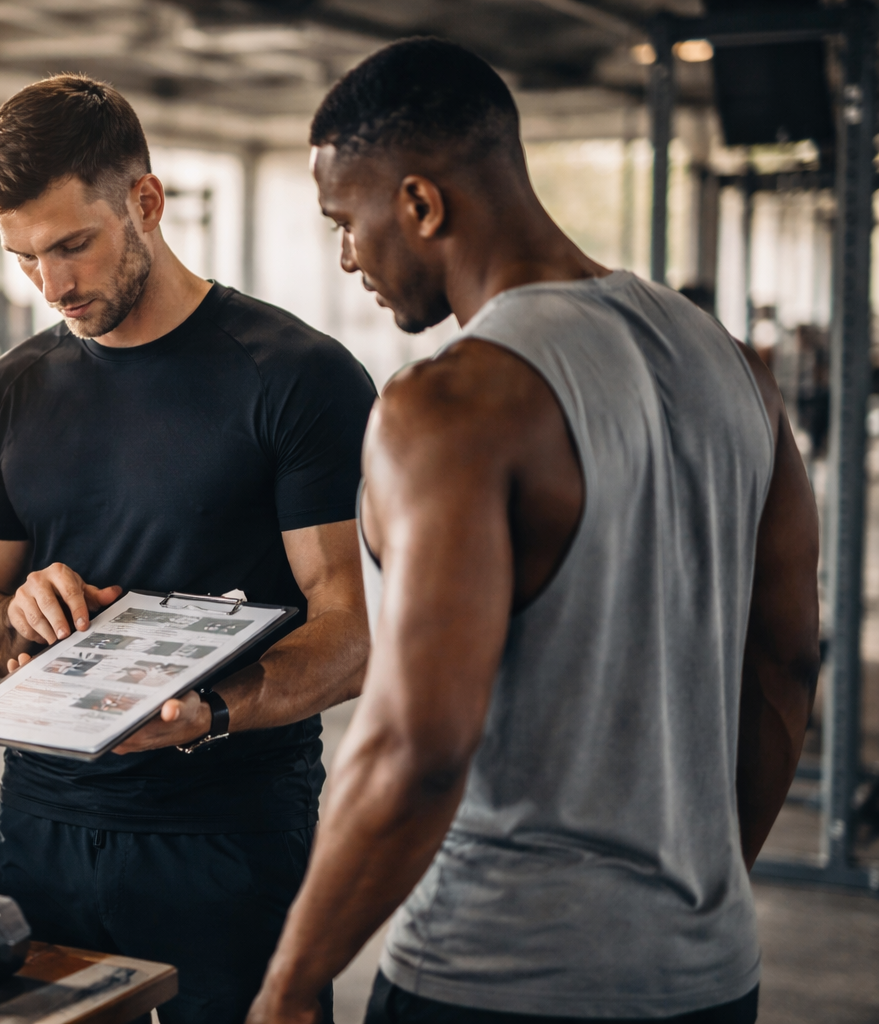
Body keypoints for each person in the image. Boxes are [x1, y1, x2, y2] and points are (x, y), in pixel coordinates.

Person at [246, 38, 820, 1024]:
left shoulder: (448, 406)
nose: (346, 255)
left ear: (421, 204)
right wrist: (695, 893)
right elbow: (786, 665)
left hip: (493, 977)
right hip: (712, 975)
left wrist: (292, 987)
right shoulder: (735, 368)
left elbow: (415, 747)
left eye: (346, 221)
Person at [0, 74, 378, 1024]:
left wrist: (210, 712)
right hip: (44, 826)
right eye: (24, 260)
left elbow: (347, 635)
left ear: (144, 202)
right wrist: (12, 612)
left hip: (228, 831)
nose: (54, 287)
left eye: (73, 246)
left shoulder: (299, 378)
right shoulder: (11, 389)